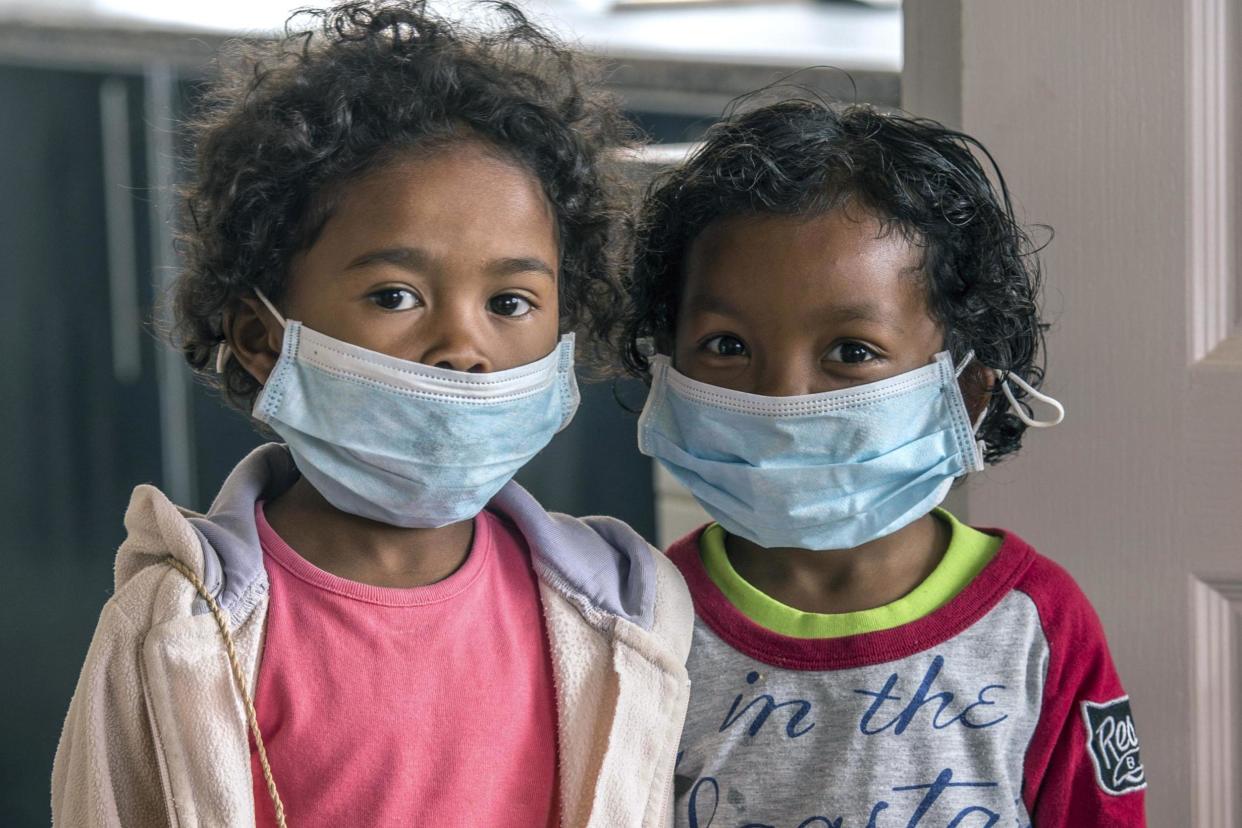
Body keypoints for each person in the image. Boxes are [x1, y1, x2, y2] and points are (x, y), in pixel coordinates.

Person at [52, 3, 693, 825]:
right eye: (396, 295)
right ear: (260, 337)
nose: (463, 345)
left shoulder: (624, 610)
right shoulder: (177, 629)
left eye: (510, 300)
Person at [618, 98, 1146, 826]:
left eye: (851, 352)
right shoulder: (644, 625)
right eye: (729, 346)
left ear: (962, 390)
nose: (782, 398)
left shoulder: (1034, 623)